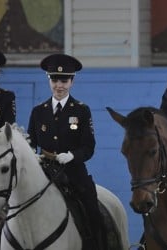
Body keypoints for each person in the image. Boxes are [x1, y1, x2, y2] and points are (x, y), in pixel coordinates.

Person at [27, 54, 106, 250]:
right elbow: (30, 142)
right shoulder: (38, 111)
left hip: (73, 173)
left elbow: (89, 147)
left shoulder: (81, 110)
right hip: (44, 171)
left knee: (93, 212)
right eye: (54, 80)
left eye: (64, 80)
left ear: (72, 81)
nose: (59, 85)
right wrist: (33, 157)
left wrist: (72, 156)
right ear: (49, 80)